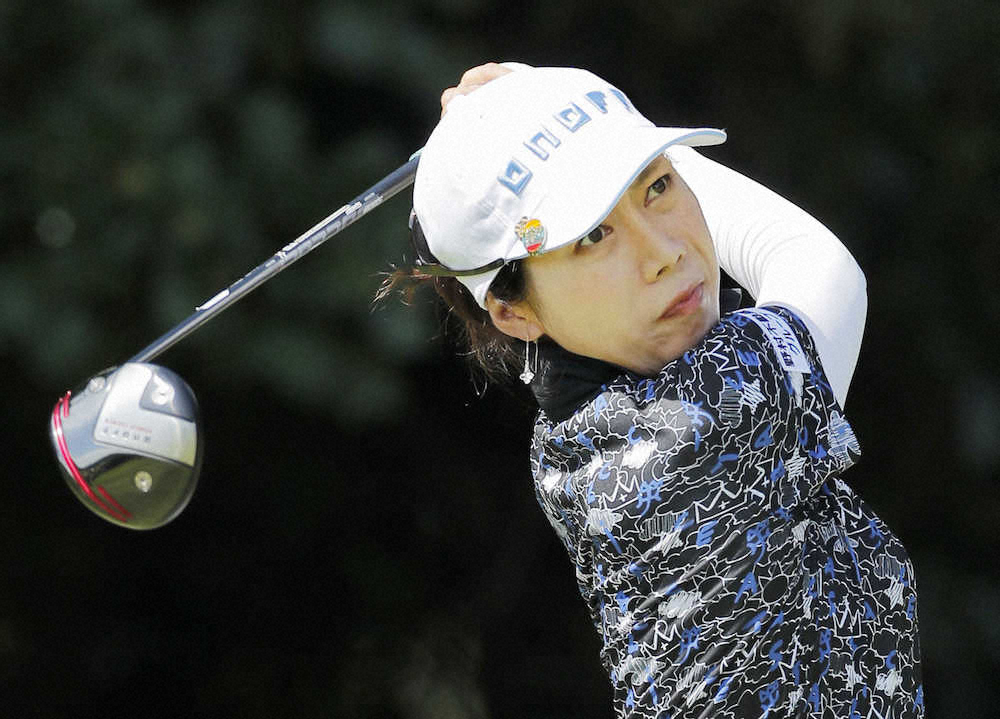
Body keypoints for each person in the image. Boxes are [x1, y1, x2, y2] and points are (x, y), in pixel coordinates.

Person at [383, 63, 923, 718]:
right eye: (594, 235)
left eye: (658, 185)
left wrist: (559, 113)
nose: (663, 251)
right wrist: (556, 101)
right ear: (514, 312)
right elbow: (816, 264)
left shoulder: (574, 435)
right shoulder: (693, 429)